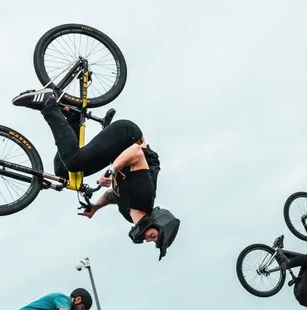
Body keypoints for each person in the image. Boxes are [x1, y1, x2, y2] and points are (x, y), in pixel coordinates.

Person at [11, 88, 180, 259]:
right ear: (158, 223)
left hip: (119, 151)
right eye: (155, 237)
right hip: (127, 138)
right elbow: (136, 152)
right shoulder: (145, 196)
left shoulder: (129, 215)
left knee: (63, 171)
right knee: (75, 162)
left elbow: (115, 195)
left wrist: (95, 207)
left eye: (153, 242)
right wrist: (111, 171)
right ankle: (48, 103)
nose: (149, 240)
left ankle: (73, 116)